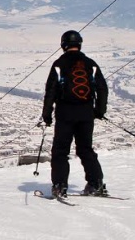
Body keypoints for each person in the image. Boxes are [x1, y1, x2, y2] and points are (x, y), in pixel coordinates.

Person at [41, 30, 110, 198]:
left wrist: (47, 114)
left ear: (63, 45)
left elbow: (51, 91)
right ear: (79, 44)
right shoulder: (91, 64)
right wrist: (99, 111)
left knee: (60, 151)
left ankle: (60, 185)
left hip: (65, 113)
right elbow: (102, 89)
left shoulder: (59, 64)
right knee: (86, 149)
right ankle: (96, 183)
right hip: (86, 113)